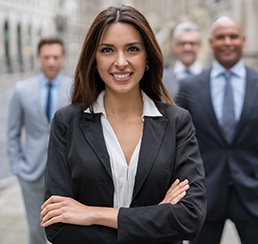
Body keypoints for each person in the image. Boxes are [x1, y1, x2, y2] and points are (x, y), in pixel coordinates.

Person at [40, 5, 206, 244]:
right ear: (93, 59)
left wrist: (92, 214)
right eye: (107, 50)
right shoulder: (67, 123)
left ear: (147, 56)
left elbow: (190, 218)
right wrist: (158, 215)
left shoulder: (177, 122)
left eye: (132, 49)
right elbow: (56, 226)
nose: (121, 61)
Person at [177, 16, 258, 244]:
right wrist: (187, 187)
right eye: (220, 37)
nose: (227, 42)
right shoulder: (190, 87)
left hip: (255, 194)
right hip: (205, 196)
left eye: (233, 36)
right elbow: (178, 143)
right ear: (210, 43)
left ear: (243, 40)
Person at [6, 36, 72, 244]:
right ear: (38, 58)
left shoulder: (75, 87)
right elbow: (12, 133)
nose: (51, 62)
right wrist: (18, 168)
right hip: (31, 172)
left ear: (62, 59)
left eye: (55, 57)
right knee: (36, 229)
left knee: (66, 228)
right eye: (46, 57)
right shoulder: (21, 90)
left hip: (67, 171)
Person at [163, 21, 203, 98]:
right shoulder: (161, 80)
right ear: (174, 45)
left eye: (192, 43)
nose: (187, 48)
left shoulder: (211, 79)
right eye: (182, 43)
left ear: (200, 45)